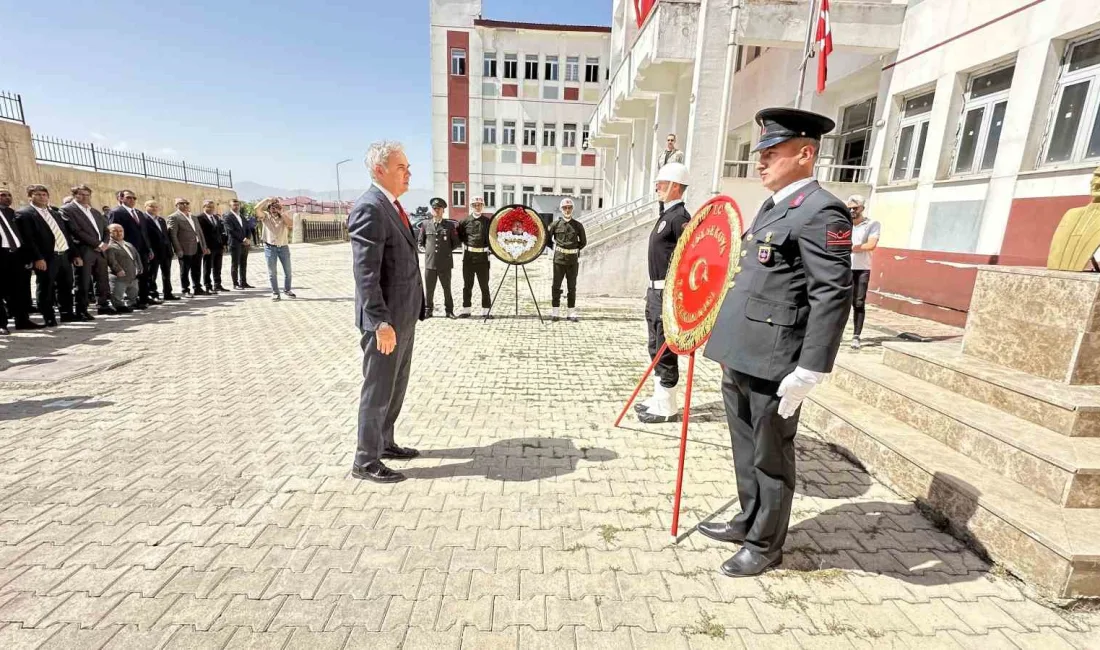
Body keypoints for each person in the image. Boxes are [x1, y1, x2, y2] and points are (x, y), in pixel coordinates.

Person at [700, 108, 853, 578]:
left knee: (771, 455)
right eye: (760, 152)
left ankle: (766, 545)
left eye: (771, 152)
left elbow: (831, 292)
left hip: (775, 360)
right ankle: (749, 520)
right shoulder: (773, 206)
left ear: (805, 154)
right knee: (745, 448)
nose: (760, 162)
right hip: (743, 352)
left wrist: (811, 367)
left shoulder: (822, 209)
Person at [349, 140, 425, 484]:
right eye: (401, 168)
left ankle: (384, 441)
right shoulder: (371, 207)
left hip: (402, 318)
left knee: (395, 386)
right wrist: (380, 321)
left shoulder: (391, 205)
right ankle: (365, 460)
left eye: (408, 167)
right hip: (386, 322)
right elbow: (366, 273)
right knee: (378, 388)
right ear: (379, 170)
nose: (408, 173)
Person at [636, 163, 692, 424]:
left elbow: (689, 257)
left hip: (668, 294)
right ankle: (659, 396)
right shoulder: (666, 215)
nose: (657, 187)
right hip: (654, 292)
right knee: (654, 346)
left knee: (665, 349)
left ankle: (668, 406)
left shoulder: (680, 218)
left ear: (676, 186)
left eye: (662, 183)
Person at [14, 185, 81, 326]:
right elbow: (28, 239)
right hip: (46, 258)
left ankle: (67, 313)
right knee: (46, 287)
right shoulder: (24, 214)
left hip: (63, 254)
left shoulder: (55, 213)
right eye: (37, 194)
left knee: (66, 286)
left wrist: (75, 254)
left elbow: (65, 235)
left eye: (44, 194)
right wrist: (38, 258)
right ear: (30, 196)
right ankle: (48, 316)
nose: (42, 197)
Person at [62, 184, 114, 318]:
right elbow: (75, 231)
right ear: (74, 195)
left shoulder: (94, 211)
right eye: (81, 194)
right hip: (83, 250)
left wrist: (105, 243)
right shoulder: (67, 210)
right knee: (83, 282)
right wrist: (97, 244)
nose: (85, 197)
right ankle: (81, 310)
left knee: (102, 279)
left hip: (100, 250)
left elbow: (106, 230)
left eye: (87, 195)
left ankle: (102, 305)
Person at [0, 187, 41, 333]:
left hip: (16, 255)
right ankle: (2, 324)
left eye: (9, 195)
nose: (7, 197)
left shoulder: (12, 213)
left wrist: (27, 256)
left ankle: (22, 320)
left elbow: (23, 236)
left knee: (19, 290)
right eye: (2, 195)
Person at [107, 190, 154, 308]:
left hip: (141, 250)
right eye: (128, 198)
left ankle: (143, 298)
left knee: (143, 273)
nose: (132, 200)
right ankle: (130, 300)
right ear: (121, 198)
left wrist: (149, 248)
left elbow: (144, 232)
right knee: (129, 276)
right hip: (124, 251)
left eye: (134, 198)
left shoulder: (138, 213)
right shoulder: (116, 212)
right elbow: (112, 230)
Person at [418, 197, 459, 318]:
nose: (436, 211)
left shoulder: (449, 226)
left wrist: (445, 251)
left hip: (445, 263)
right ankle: (428, 310)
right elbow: (420, 242)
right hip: (430, 263)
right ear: (432, 210)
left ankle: (449, 311)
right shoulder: (425, 224)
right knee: (429, 289)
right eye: (434, 209)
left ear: (443, 210)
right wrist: (428, 252)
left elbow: (456, 242)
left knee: (447, 288)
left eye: (439, 209)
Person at [547, 197, 587, 322]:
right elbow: (548, 240)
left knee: (572, 287)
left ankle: (571, 312)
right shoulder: (555, 224)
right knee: (556, 286)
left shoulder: (578, 225)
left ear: (572, 209)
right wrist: (556, 248)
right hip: (559, 260)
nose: (567, 210)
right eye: (565, 208)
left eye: (569, 208)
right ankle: (555, 312)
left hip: (572, 261)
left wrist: (574, 249)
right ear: (561, 209)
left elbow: (583, 242)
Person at [847, 194, 879, 350]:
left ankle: (856, 336)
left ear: (862, 208)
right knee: (840, 303)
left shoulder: (872, 224)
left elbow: (871, 245)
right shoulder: (844, 223)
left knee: (858, 302)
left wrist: (851, 248)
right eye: (850, 208)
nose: (852, 211)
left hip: (861, 268)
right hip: (844, 267)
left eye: (855, 208)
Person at [457, 196, 492, 319]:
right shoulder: (464, 221)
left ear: (483, 206)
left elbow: (492, 238)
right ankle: (466, 310)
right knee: (467, 285)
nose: (477, 207)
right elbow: (460, 236)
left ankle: (486, 311)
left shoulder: (488, 222)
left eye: (480, 205)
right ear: (471, 206)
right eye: (475, 205)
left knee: (484, 285)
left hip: (483, 258)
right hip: (469, 258)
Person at [167, 198, 209, 297]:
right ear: (176, 205)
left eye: (187, 203)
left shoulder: (193, 217)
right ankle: (185, 289)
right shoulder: (174, 217)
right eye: (182, 203)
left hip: (197, 246)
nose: (185, 205)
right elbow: (173, 235)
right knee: (185, 270)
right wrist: (178, 249)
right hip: (185, 248)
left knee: (197, 268)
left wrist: (204, 246)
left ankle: (197, 288)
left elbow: (199, 233)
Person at [255, 197, 295, 300]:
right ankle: (275, 293)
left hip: (283, 247)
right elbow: (256, 209)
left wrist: (281, 212)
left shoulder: (283, 217)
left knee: (288, 271)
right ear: (268, 208)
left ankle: (287, 290)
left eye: (276, 207)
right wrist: (267, 199)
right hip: (270, 248)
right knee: (272, 272)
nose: (274, 209)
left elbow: (291, 224)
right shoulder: (266, 217)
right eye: (271, 207)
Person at [144, 200, 179, 301]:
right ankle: (153, 293)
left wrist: (170, 249)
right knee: (152, 274)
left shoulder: (161, 220)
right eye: (152, 206)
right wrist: (149, 250)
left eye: (156, 206)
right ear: (145, 207)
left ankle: (168, 293)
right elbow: (145, 236)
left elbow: (166, 236)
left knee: (166, 274)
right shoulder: (144, 219)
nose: (155, 208)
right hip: (153, 252)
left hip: (165, 251)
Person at [104, 224, 142, 312]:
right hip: (119, 276)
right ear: (109, 233)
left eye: (121, 231)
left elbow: (136, 256)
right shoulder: (109, 246)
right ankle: (119, 306)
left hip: (132, 275)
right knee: (118, 293)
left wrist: (139, 266)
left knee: (133, 291)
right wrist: (117, 270)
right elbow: (111, 260)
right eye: (115, 231)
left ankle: (132, 303)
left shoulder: (128, 244)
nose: (119, 233)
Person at [198, 200, 228, 293]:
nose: (211, 209)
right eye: (208, 207)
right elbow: (201, 234)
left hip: (218, 246)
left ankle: (217, 284)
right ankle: (208, 286)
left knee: (218, 267)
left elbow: (220, 231)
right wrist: (205, 247)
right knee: (207, 267)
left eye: (212, 207)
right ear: (204, 207)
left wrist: (223, 244)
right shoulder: (200, 218)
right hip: (208, 247)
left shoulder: (216, 217)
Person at [223, 198, 253, 289]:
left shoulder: (242, 216)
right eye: (234, 205)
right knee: (235, 264)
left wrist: (248, 239)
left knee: (244, 263)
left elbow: (248, 228)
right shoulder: (227, 217)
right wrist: (243, 239)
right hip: (235, 243)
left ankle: (243, 282)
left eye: (237, 205)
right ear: (230, 206)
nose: (236, 206)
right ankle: (235, 284)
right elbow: (231, 231)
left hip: (245, 244)